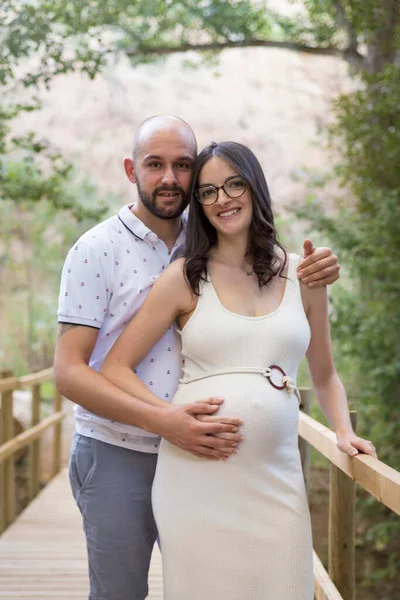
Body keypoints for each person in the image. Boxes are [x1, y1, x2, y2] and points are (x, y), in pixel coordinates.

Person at [54, 115, 341, 600]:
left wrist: (318, 266)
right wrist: (165, 420)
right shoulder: (96, 250)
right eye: (154, 164)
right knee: (121, 594)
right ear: (131, 170)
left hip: (222, 461)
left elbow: (272, 293)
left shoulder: (212, 235)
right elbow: (69, 371)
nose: (170, 178)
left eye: (182, 166)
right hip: (119, 448)